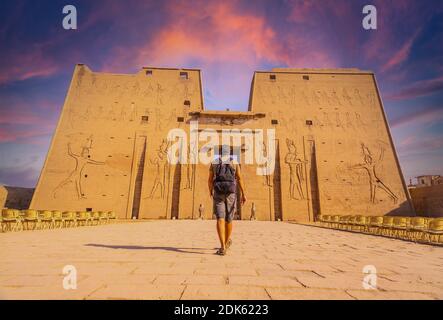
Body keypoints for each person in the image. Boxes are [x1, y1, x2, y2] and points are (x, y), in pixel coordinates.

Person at [208, 145, 246, 256]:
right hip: (231, 193)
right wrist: (243, 193)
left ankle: (223, 247)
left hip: (218, 192)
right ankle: (226, 240)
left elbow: (210, 180)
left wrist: (210, 190)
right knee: (229, 219)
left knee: (220, 218)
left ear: (219, 153)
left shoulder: (214, 163)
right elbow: (240, 178)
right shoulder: (234, 162)